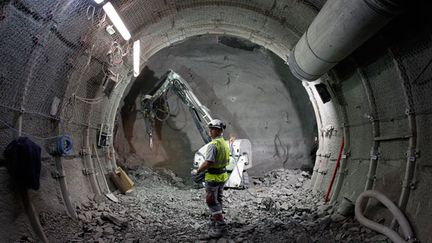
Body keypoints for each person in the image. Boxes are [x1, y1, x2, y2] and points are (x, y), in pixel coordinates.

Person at [191, 119, 230, 238]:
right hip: (222, 176)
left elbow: (208, 162)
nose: (210, 131)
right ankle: (215, 220)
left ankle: (221, 226)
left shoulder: (213, 145)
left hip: (212, 177)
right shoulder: (224, 143)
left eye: (212, 129)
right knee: (218, 199)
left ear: (217, 131)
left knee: (211, 201)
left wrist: (197, 171)